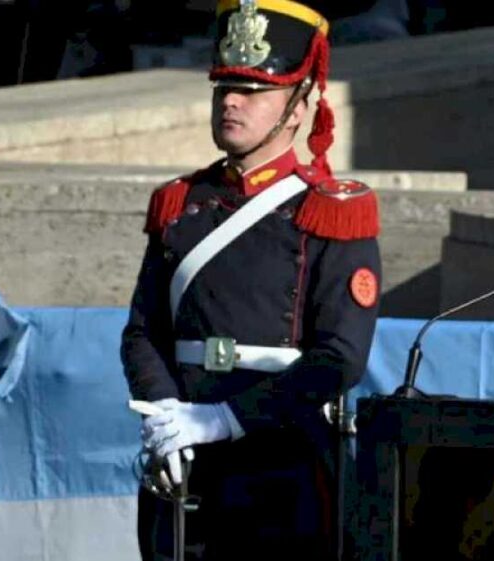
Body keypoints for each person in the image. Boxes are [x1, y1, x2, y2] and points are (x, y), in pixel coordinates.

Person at [120, 1, 381, 559]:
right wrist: (167, 417)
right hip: (185, 461)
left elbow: (339, 356)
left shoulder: (332, 210)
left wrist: (223, 419)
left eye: (255, 90)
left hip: (282, 464)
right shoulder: (179, 204)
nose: (231, 101)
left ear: (299, 106)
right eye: (224, 88)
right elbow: (143, 331)